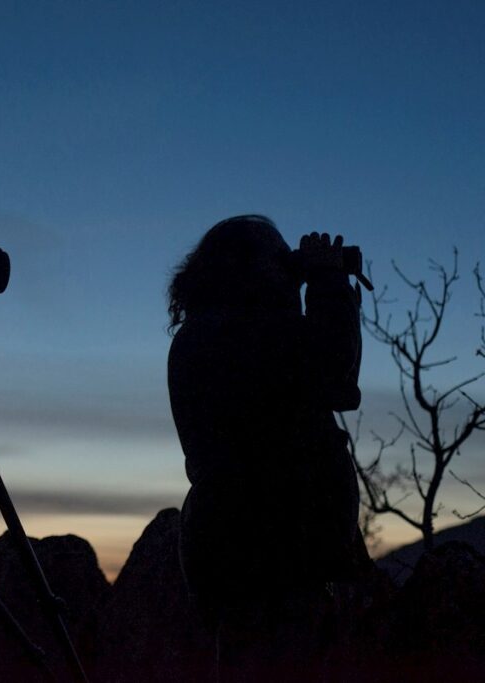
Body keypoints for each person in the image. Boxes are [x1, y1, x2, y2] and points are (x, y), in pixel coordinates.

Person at [166, 215, 369, 682]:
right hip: (271, 563)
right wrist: (327, 282)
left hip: (249, 557)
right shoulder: (237, 332)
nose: (288, 265)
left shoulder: (209, 333)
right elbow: (336, 376)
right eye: (278, 257)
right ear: (245, 268)